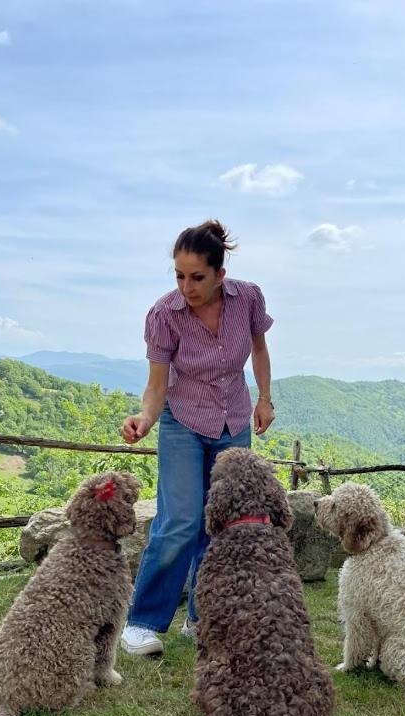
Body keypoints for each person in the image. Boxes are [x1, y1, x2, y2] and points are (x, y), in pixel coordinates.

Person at [119, 220, 275, 655]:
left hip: (233, 420)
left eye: (197, 277)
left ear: (220, 274)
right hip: (182, 421)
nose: (187, 286)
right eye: (179, 276)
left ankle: (201, 618)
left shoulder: (248, 298)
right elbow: (156, 384)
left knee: (222, 525)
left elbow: (259, 350)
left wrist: (265, 398)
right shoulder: (164, 314)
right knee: (181, 521)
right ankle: (142, 623)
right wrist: (145, 419)